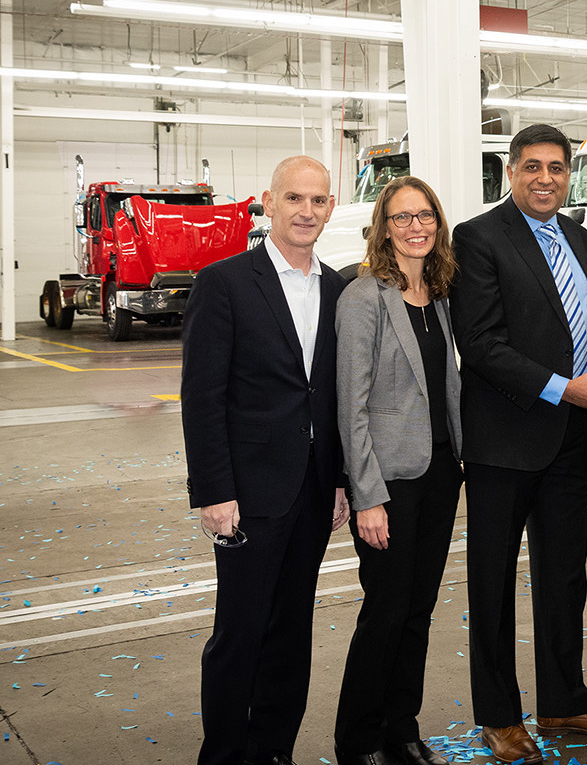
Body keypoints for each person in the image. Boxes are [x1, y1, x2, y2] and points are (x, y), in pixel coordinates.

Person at [450, 123, 587, 764]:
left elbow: (573, 320)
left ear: (568, 173)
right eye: (531, 167)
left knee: (565, 578)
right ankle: (499, 715)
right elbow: (478, 343)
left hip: (567, 439)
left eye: (556, 168)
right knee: (494, 583)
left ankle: (564, 701)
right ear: (511, 173)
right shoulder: (478, 238)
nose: (545, 178)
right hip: (504, 441)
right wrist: (564, 389)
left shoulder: (577, 234)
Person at [182, 155, 351, 765]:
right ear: (268, 202)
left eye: (318, 201)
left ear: (331, 208)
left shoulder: (338, 289)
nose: (307, 211)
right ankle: (224, 755)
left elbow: (329, 396)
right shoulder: (224, 282)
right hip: (248, 492)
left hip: (311, 490)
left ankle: (272, 750)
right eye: (294, 199)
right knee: (240, 632)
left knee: (291, 631)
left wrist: (336, 483)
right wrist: (213, 491)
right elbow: (202, 396)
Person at [332, 177, 463, 765]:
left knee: (417, 611)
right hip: (390, 482)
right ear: (385, 227)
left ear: (437, 223)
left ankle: (401, 732)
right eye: (403, 218)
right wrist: (367, 496)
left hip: (439, 474)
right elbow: (350, 404)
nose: (416, 227)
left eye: (425, 216)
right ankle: (357, 741)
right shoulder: (365, 297)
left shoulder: (439, 293)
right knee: (384, 612)